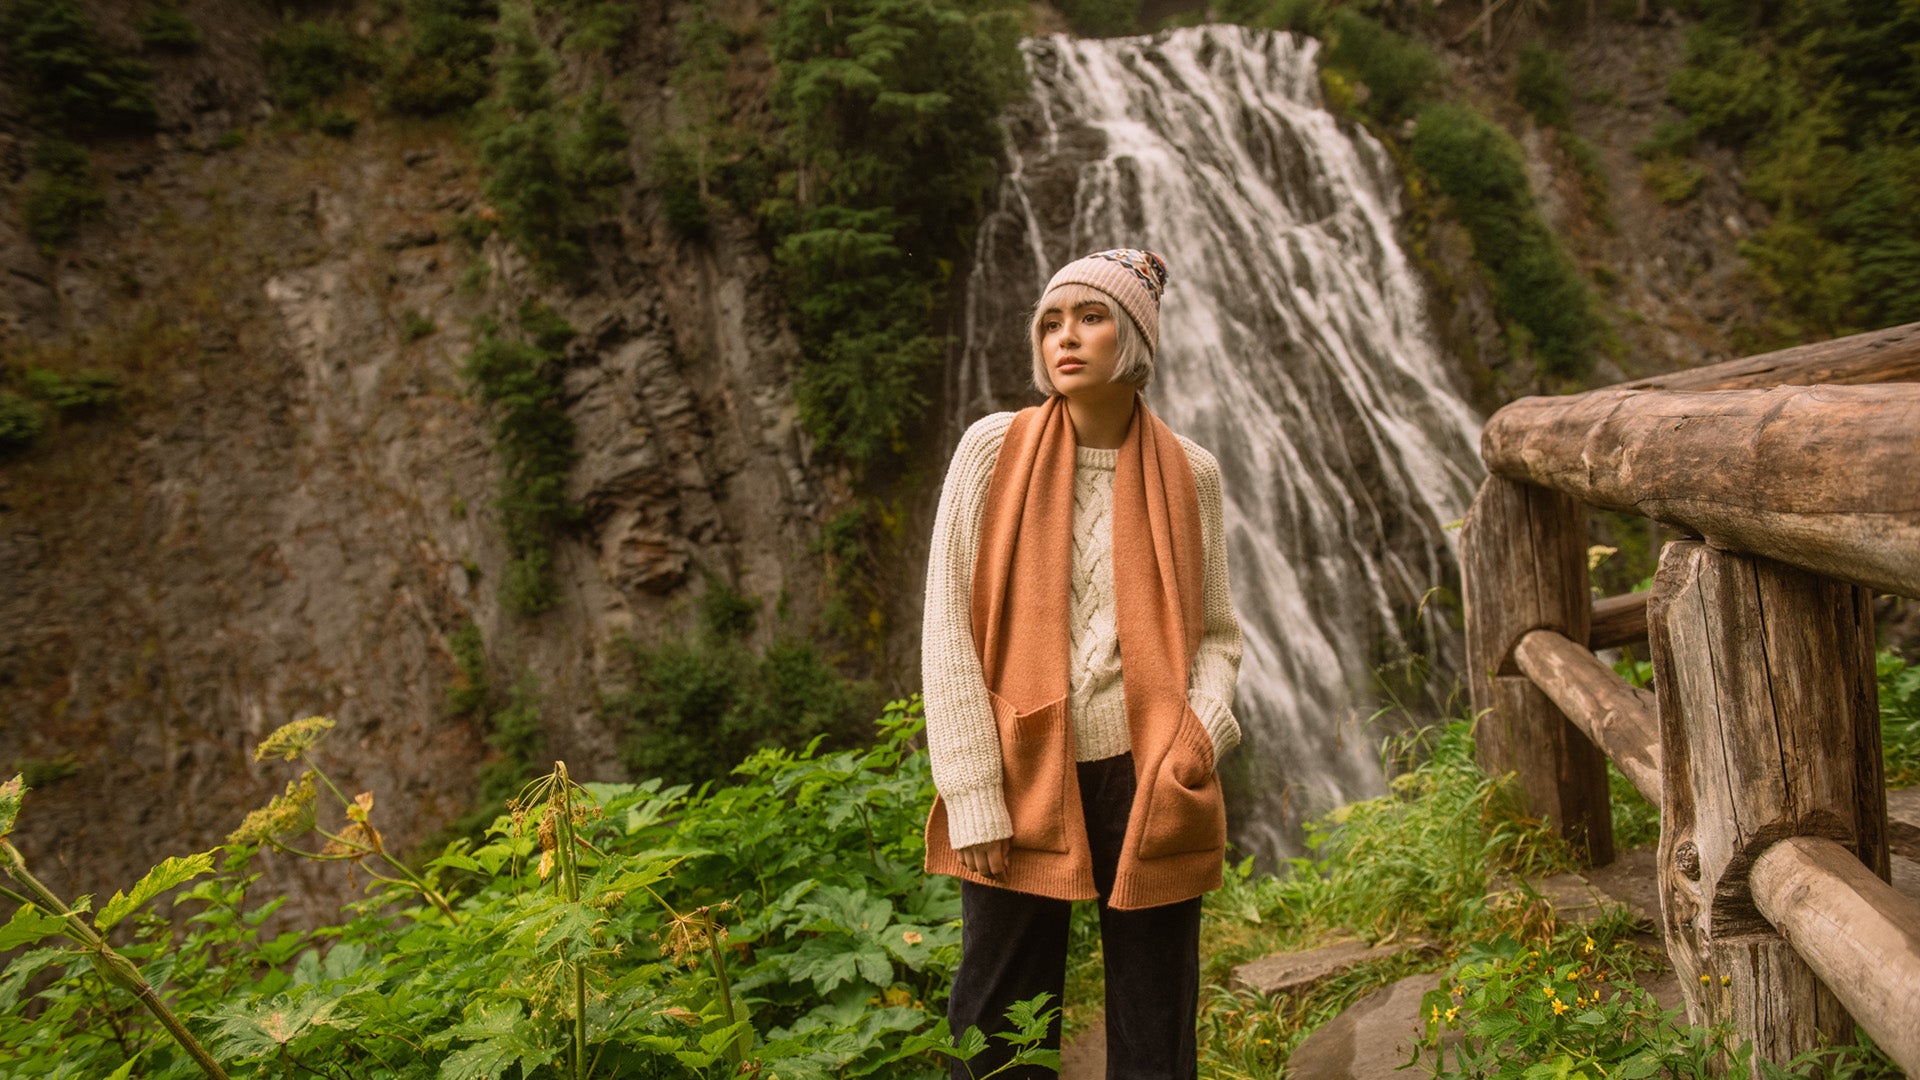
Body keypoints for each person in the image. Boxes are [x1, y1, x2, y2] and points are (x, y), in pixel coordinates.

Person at [921, 248, 1245, 1079]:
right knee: (997, 1026)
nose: (1065, 337)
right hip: (1021, 768)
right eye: (1051, 322)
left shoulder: (1192, 473)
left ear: (1134, 337)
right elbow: (947, 627)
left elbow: (1216, 632)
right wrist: (972, 793)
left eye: (1091, 318)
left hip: (1152, 770)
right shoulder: (991, 449)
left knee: (1155, 1024)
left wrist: (1198, 736)